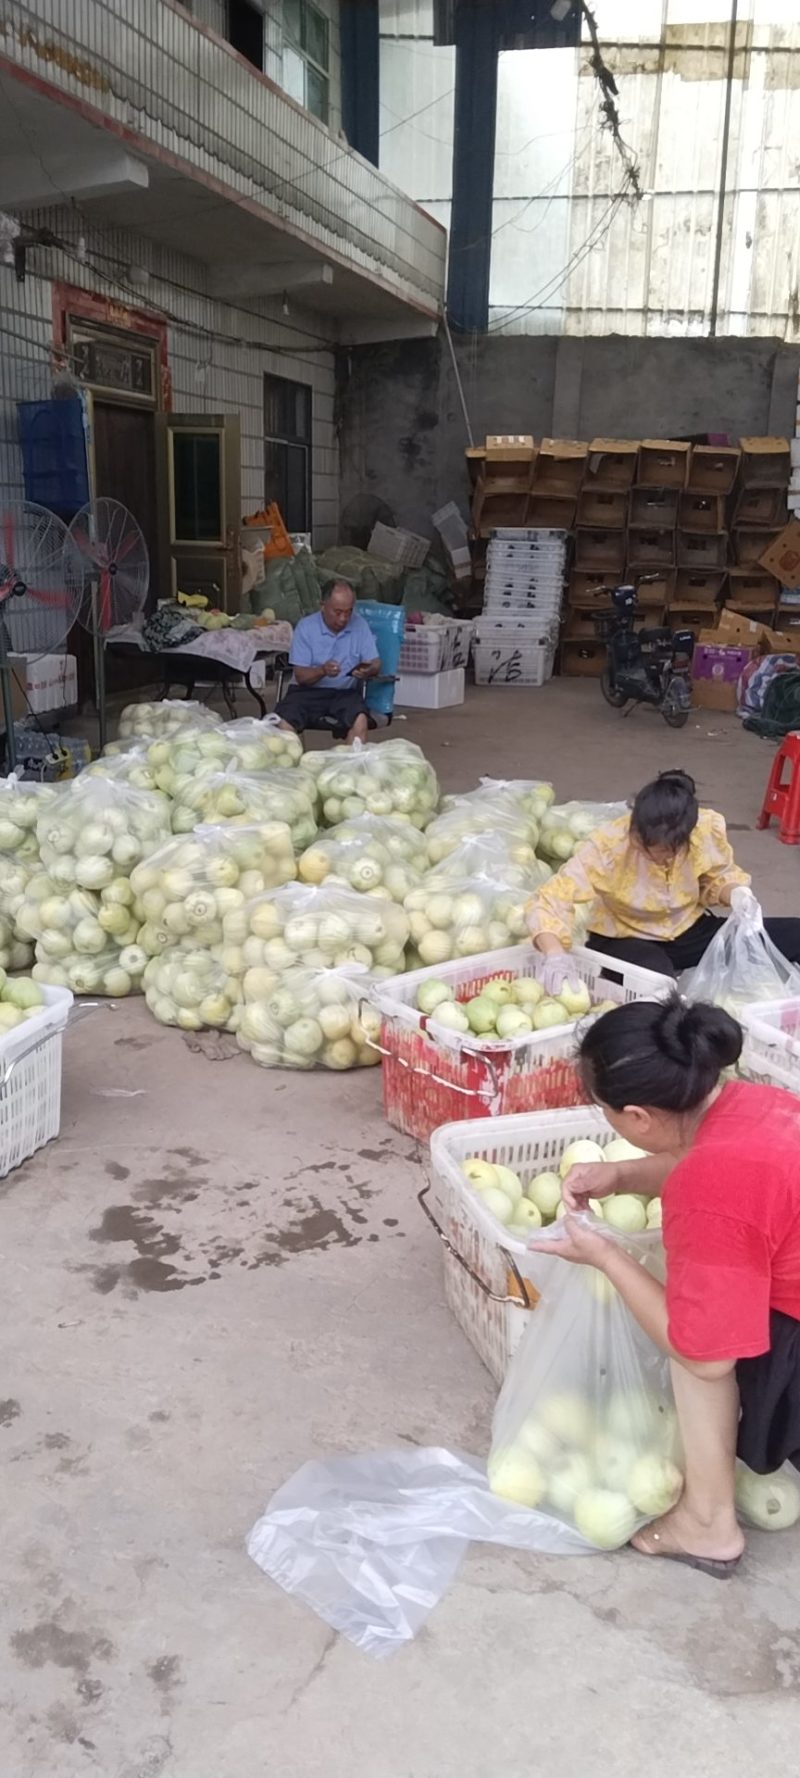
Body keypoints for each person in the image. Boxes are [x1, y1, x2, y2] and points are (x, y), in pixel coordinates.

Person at [530, 995, 800, 1577]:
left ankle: (706, 1521)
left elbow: (704, 1358)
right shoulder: (758, 1103)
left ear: (637, 1118)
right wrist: (622, 1175)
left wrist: (603, 1254)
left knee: (696, 1338)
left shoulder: (707, 1191)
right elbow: (720, 1166)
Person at [526, 768, 800, 980]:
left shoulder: (704, 829)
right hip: (625, 938)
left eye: (662, 852)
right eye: (642, 845)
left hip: (688, 931)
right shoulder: (608, 845)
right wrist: (554, 953)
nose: (651, 857)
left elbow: (716, 877)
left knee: (793, 934)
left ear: (683, 841)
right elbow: (550, 899)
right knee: (655, 983)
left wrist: (737, 894)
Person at [276, 581, 381, 743]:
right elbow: (301, 676)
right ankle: (297, 766)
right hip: (305, 693)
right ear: (323, 606)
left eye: (348, 612)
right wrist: (322, 671)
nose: (343, 618)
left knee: (360, 720)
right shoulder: (306, 627)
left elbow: (375, 662)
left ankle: (350, 766)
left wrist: (368, 669)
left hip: (344, 693)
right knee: (285, 722)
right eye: (337, 612)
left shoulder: (360, 625)